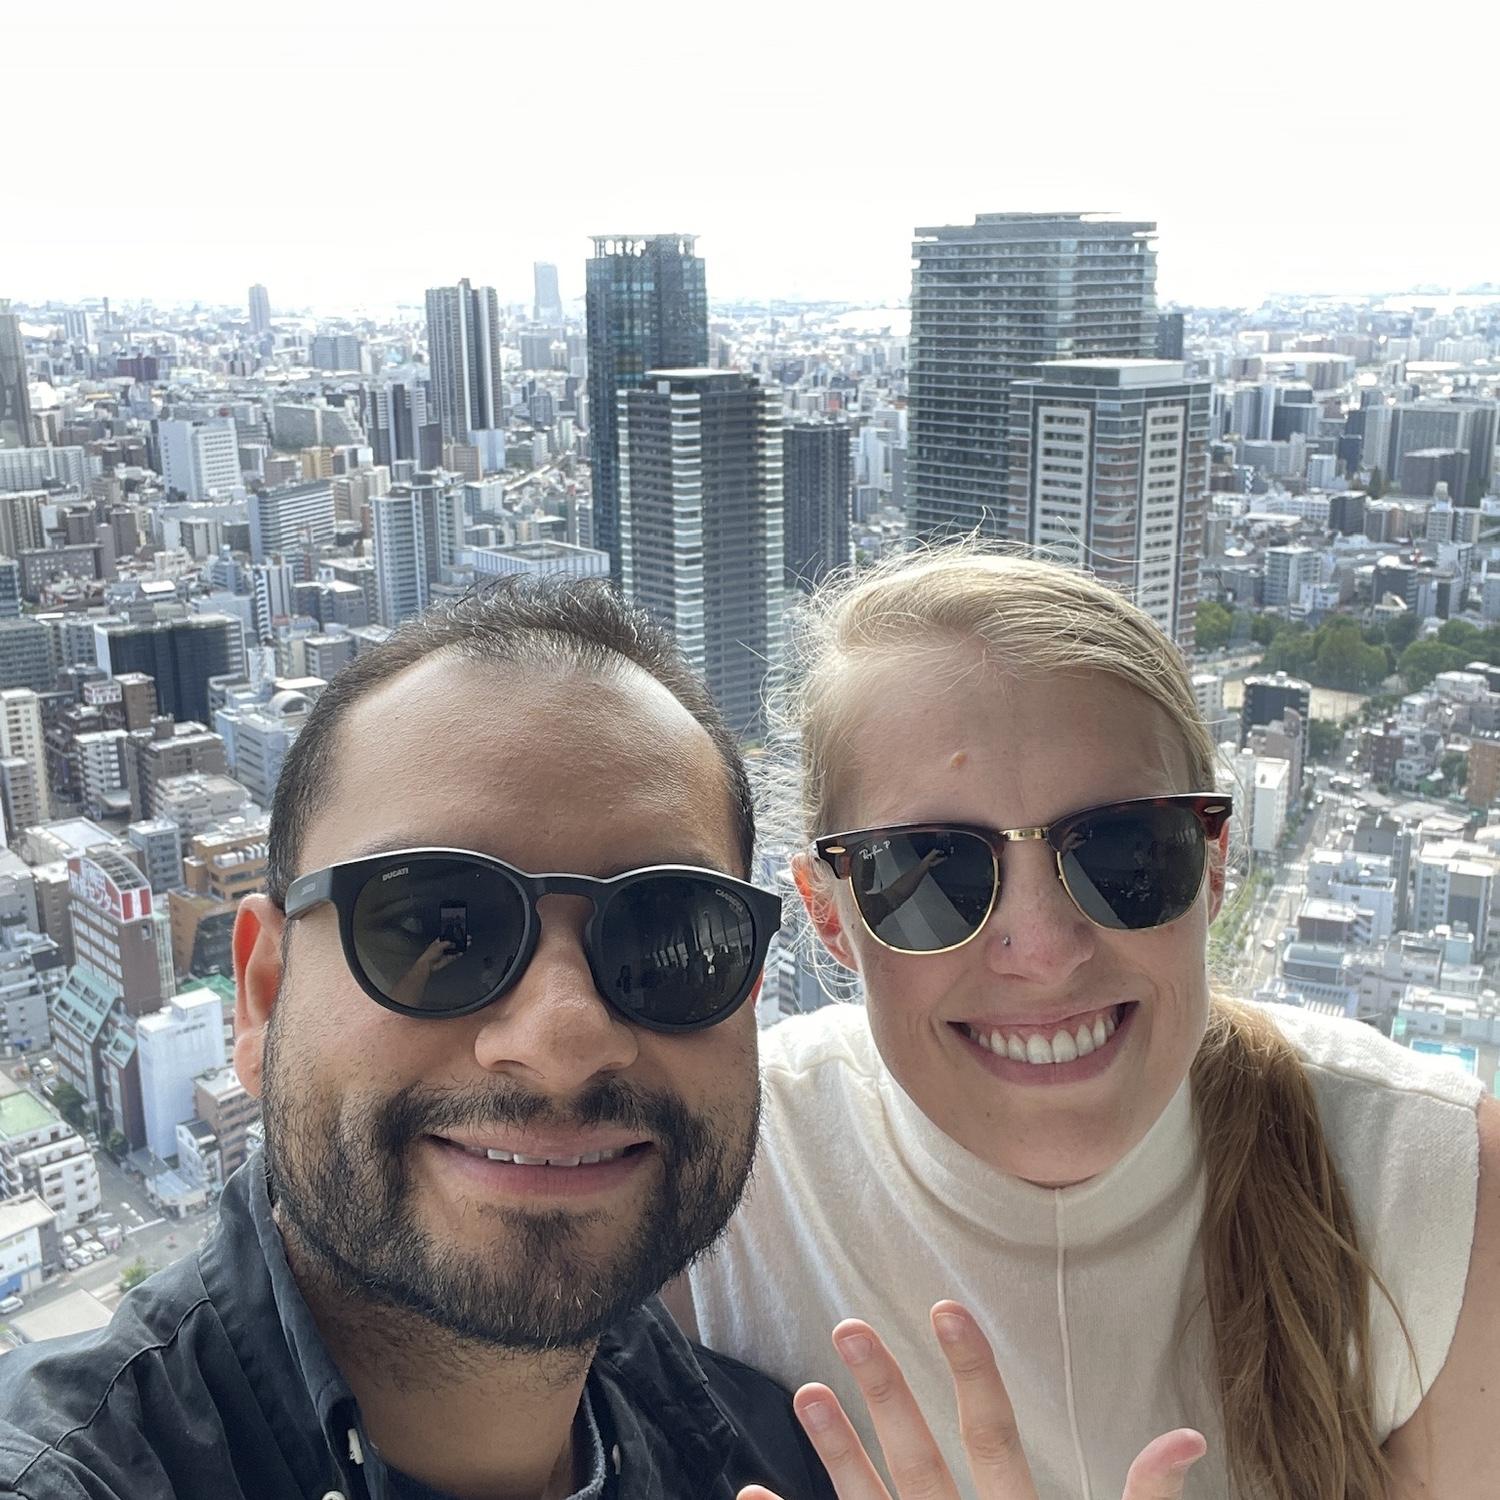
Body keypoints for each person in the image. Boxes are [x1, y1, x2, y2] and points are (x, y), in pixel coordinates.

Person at [681, 547, 1499, 1499]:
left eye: (1123, 849)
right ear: (829, 914)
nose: (1044, 947)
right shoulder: (720, 1190)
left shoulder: (1433, 1190)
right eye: (930, 872)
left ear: (1214, 862)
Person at [0, 579, 836, 1500]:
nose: (564, 1037)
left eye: (673, 936)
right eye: (437, 928)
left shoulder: (783, 1459)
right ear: (263, 995)